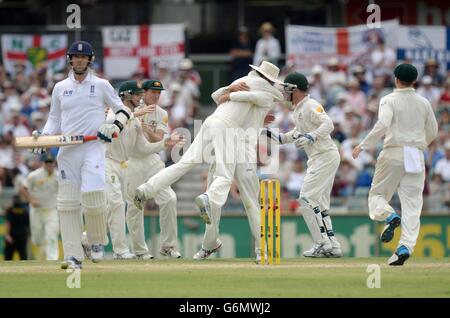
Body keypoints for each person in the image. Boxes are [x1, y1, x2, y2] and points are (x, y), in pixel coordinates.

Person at [133, 61, 284, 252]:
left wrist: (228, 90)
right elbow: (264, 96)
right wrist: (230, 93)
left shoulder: (242, 80)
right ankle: (209, 198)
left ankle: (146, 190)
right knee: (226, 178)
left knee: (186, 163)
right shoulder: (266, 92)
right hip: (229, 131)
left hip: (211, 122)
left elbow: (216, 97)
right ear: (269, 80)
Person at [31, 40, 132, 269]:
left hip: (93, 147)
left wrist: (114, 127)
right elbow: (54, 119)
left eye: (82, 57)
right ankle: (73, 254)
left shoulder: (102, 85)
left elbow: (124, 110)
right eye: (75, 57)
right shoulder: (59, 88)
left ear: (89, 60)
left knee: (93, 195)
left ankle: (96, 243)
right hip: (67, 151)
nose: (78, 60)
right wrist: (43, 137)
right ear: (70, 59)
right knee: (67, 204)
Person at [352, 63, 438, 266]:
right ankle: (405, 247)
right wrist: (418, 146)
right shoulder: (423, 102)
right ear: (414, 81)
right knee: (412, 205)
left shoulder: (388, 100)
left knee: (377, 195)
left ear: (396, 79)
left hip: (394, 152)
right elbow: (433, 131)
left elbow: (382, 124)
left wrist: (363, 146)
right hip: (415, 154)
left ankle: (390, 216)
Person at [265, 72, 343, 257]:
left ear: (295, 89)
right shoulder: (298, 109)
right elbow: (293, 135)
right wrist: (268, 133)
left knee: (306, 199)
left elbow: (329, 124)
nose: (285, 94)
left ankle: (321, 242)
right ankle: (333, 245)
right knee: (319, 203)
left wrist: (311, 136)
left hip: (324, 155)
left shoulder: (311, 105)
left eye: (287, 89)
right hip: (319, 157)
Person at [126, 79, 182, 259]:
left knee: (169, 198)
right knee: (135, 205)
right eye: (153, 92)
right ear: (144, 92)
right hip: (132, 161)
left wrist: (146, 130)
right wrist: (136, 117)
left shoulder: (161, 113)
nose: (156, 96)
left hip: (152, 160)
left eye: (159, 93)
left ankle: (169, 246)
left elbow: (158, 139)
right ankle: (140, 251)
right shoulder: (133, 108)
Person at [20, 154, 59, 260]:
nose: (50, 164)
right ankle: (41, 255)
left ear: (55, 163)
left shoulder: (59, 176)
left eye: (51, 162)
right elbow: (23, 189)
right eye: (47, 162)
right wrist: (31, 200)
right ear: (43, 164)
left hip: (52, 210)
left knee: (51, 234)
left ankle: (52, 259)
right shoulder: (34, 175)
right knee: (38, 240)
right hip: (37, 211)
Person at [3, 195, 30, 260]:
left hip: (12, 236)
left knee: (8, 258)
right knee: (23, 257)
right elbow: (28, 225)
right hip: (22, 236)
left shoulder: (10, 210)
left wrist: (7, 235)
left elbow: (8, 223)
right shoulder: (25, 210)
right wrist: (28, 235)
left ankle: (6, 269)